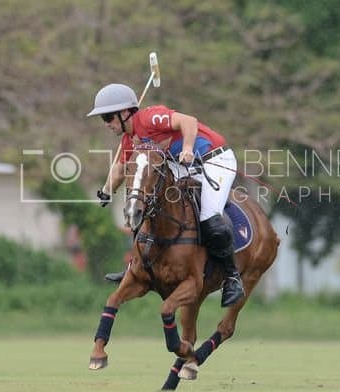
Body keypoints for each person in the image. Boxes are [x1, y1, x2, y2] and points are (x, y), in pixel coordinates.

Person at [87, 83, 245, 307]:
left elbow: (188, 121)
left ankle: (232, 278)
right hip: (184, 166)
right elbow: (121, 169)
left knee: (209, 218)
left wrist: (188, 148)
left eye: (108, 118)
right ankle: (134, 266)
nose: (106, 124)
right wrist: (106, 191)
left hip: (213, 158)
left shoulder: (150, 117)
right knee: (144, 208)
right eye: (104, 119)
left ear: (124, 113)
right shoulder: (129, 141)